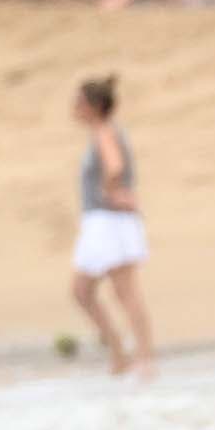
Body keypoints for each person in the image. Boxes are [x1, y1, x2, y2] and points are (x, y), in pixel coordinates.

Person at [68, 75, 155, 379]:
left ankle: (142, 359)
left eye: (78, 102)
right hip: (104, 222)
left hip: (108, 221)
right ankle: (122, 354)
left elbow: (115, 167)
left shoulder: (105, 132)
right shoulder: (104, 132)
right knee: (83, 290)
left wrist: (111, 192)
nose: (73, 108)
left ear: (93, 106)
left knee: (124, 291)